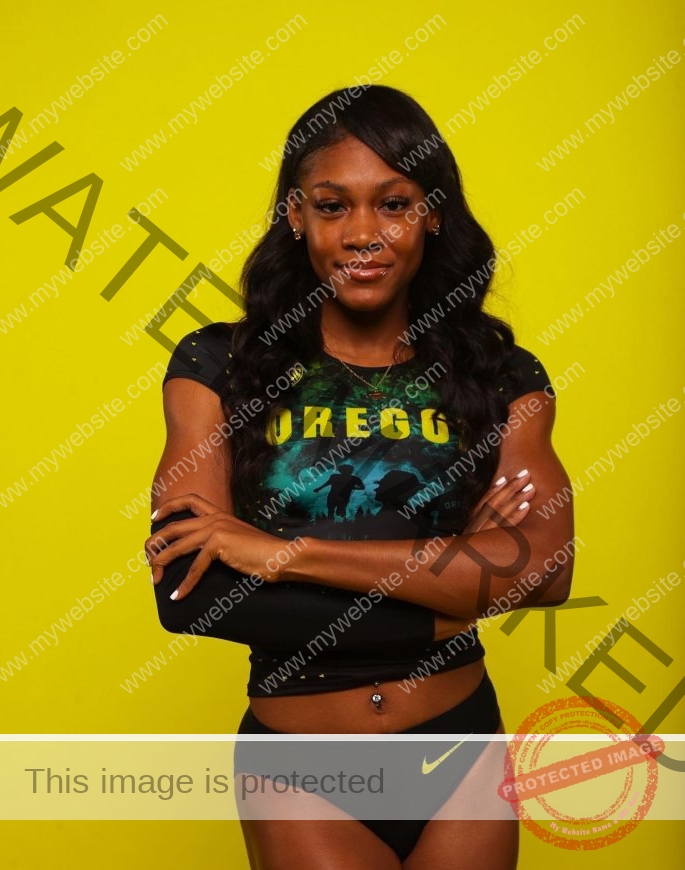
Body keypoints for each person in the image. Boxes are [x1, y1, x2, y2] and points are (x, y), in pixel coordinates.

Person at [145, 84, 575, 869]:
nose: (364, 234)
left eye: (396, 203)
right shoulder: (221, 366)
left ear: (432, 213)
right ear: (295, 216)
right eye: (333, 205)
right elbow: (193, 595)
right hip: (301, 764)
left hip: (461, 750)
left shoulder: (499, 375)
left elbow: (542, 568)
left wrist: (282, 553)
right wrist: (452, 589)